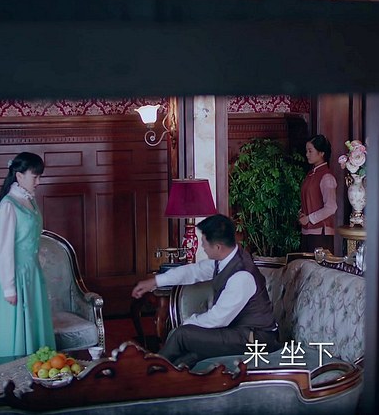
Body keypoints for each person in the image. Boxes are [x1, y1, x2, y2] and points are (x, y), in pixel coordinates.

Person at [131, 214, 279, 368]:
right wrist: (155, 281)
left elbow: (217, 319)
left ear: (218, 247)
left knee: (182, 335)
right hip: (239, 333)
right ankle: (163, 377)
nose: (202, 247)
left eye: (204, 243)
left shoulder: (241, 276)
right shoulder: (227, 258)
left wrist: (187, 324)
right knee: (191, 356)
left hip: (256, 340)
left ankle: (148, 370)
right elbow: (193, 271)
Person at [0, 152, 56, 358]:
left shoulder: (30, 201)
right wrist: (9, 287)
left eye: (39, 177)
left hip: (33, 272)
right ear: (19, 176)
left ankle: (40, 367)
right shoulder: (9, 205)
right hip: (16, 275)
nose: (38, 182)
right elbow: (5, 250)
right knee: (17, 328)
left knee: (36, 326)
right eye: (35, 177)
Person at [298, 134, 338, 253]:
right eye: (307, 151)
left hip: (321, 233)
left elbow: (331, 207)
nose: (307, 154)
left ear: (321, 153)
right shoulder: (311, 175)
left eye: (310, 151)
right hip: (307, 231)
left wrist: (309, 218)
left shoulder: (327, 177)